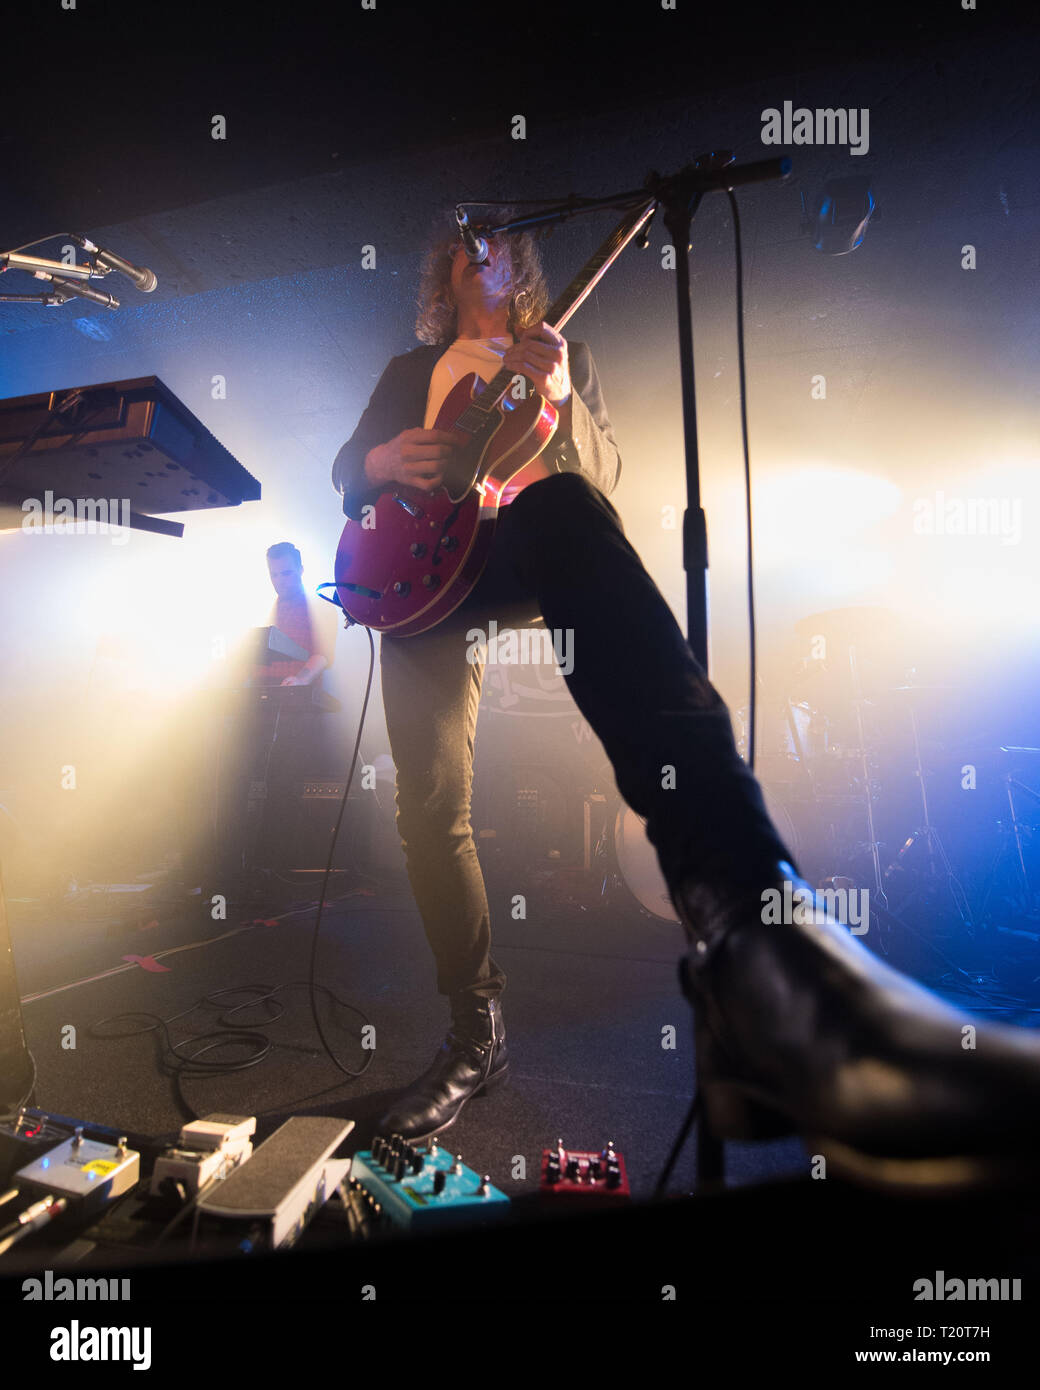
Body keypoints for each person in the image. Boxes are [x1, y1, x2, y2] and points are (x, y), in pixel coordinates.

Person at [331, 212, 1040, 1187]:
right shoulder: (405, 369)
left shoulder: (555, 351)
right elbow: (345, 468)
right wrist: (378, 462)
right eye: (462, 237)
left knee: (565, 504)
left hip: (512, 547)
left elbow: (607, 475)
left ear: (518, 259)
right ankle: (474, 1030)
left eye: (496, 234)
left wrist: (561, 395)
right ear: (444, 264)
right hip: (413, 574)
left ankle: (753, 924)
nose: (479, 245)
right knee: (427, 811)